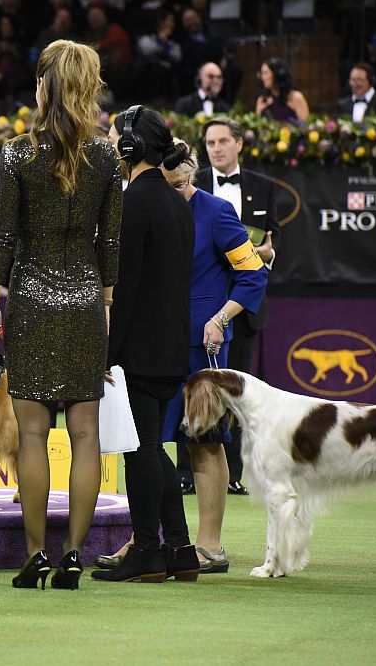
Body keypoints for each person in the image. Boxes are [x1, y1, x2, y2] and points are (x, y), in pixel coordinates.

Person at [0, 40, 121, 590]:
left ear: (44, 86)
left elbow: (2, 233)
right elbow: (110, 242)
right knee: (86, 434)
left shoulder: (17, 154)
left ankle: (37, 553)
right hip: (86, 299)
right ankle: (75, 555)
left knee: (33, 434)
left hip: (32, 299)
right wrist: (105, 305)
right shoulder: (106, 157)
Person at [90, 113, 197, 583]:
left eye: (114, 138)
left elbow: (126, 287)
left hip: (139, 348)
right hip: (170, 344)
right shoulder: (177, 201)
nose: (110, 144)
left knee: (141, 452)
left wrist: (108, 353)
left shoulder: (133, 201)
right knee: (152, 448)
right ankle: (181, 549)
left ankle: (149, 551)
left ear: (132, 147)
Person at [158, 137, 267, 575]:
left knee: (205, 443)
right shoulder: (143, 207)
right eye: (169, 185)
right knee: (147, 444)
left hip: (201, 348)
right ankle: (147, 538)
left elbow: (252, 273)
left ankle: (210, 545)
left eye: (184, 184)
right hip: (153, 342)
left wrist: (221, 318)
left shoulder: (218, 211)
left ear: (193, 175)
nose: (179, 192)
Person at [184, 116, 279, 497]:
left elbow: (270, 245)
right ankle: (186, 475)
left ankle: (235, 473)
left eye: (223, 141)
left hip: (241, 309)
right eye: (210, 143)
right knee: (194, 395)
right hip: (200, 310)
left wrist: (267, 254)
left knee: (235, 395)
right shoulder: (191, 185)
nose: (217, 148)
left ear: (239, 143)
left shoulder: (263, 187)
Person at [255, 57, 309, 124]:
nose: (263, 77)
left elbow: (306, 125)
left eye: (265, 73)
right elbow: (257, 125)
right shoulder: (261, 100)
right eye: (262, 73)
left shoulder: (296, 97)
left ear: (277, 73)